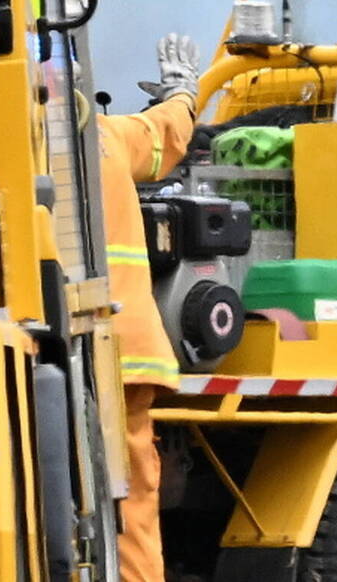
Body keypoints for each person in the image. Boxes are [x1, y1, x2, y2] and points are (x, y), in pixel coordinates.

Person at [104, 33, 201, 582]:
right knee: (130, 502)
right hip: (127, 352)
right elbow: (166, 136)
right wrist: (182, 91)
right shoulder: (104, 137)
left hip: (43, 353)